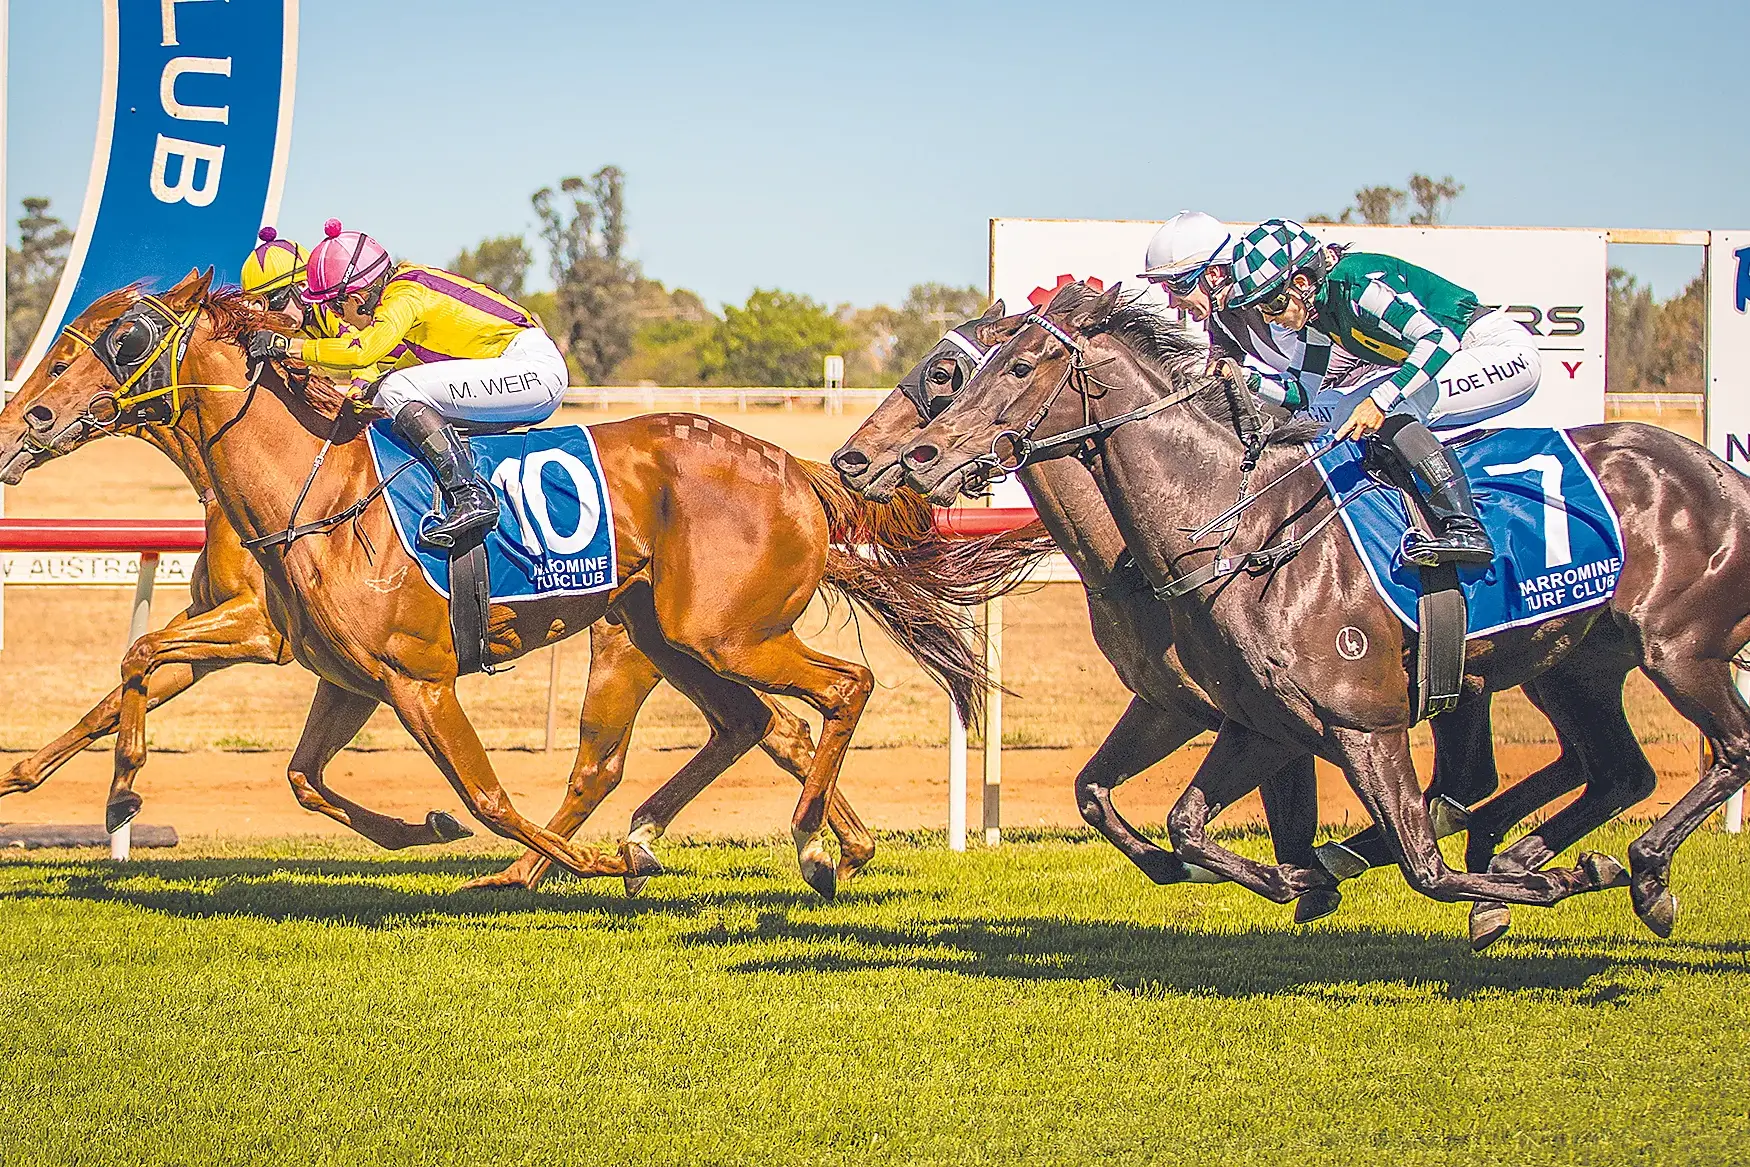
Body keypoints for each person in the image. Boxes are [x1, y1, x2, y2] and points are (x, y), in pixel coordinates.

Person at [1225, 219, 1543, 567]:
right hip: (1458, 355)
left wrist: (1380, 400)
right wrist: (1247, 380)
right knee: (1341, 414)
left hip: (1497, 350)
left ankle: (1467, 529)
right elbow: (1302, 394)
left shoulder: (1357, 282)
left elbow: (1439, 342)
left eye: (1271, 306)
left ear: (1300, 283)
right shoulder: (1319, 315)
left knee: (1392, 407)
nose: (1270, 321)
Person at [239, 219, 569, 549]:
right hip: (519, 369)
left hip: (532, 369)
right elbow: (390, 364)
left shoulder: (404, 295)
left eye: (335, 305)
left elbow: (363, 352)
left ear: (357, 297)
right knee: (388, 391)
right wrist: (364, 388)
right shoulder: (400, 292)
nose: (335, 314)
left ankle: (471, 495)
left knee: (397, 389)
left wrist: (288, 346)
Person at [1137, 210, 1372, 416]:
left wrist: (1257, 387)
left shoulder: (1274, 294)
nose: (1172, 302)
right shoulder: (1220, 316)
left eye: (1175, 287)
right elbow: (1217, 378)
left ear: (1214, 274)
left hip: (1373, 385)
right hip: (1320, 398)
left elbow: (1327, 371)